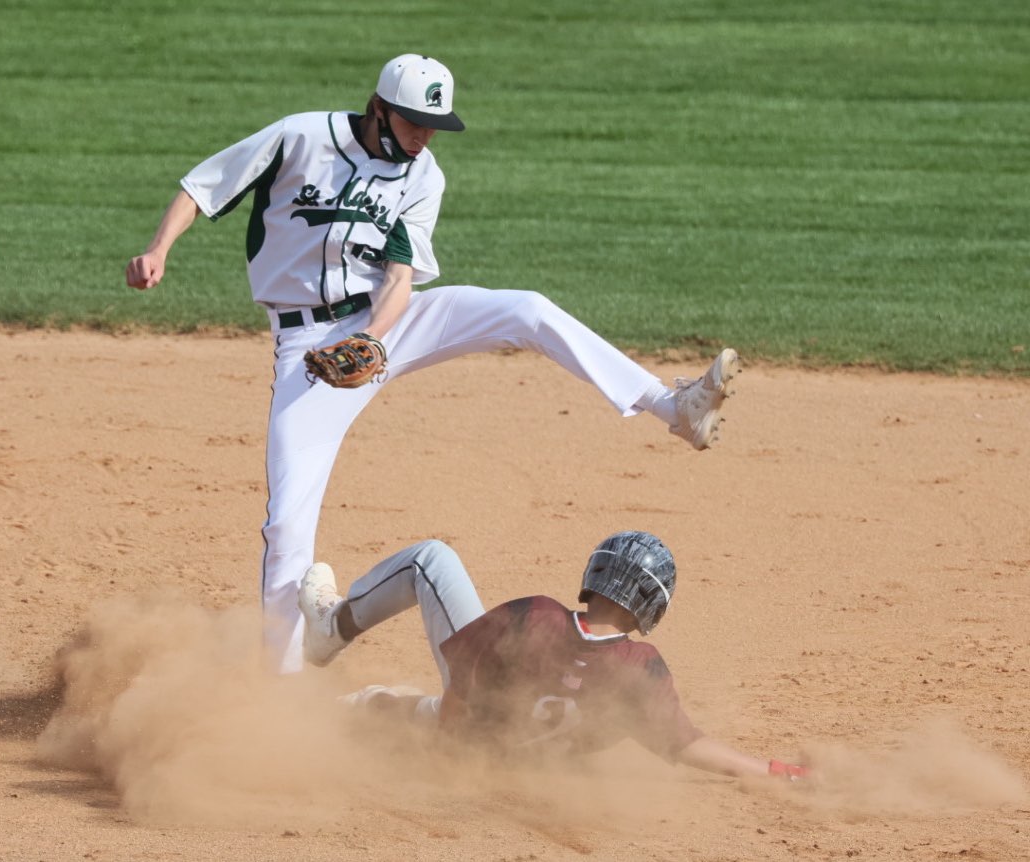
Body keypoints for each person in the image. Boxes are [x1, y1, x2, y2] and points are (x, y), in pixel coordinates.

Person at [125, 53, 741, 674]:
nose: (424, 136)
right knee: (288, 524)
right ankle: (284, 687)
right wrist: (158, 250)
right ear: (379, 108)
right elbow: (201, 187)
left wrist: (369, 341)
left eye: (435, 124)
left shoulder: (423, 176)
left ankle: (673, 406)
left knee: (525, 309)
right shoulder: (300, 137)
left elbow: (399, 277)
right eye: (415, 121)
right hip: (307, 351)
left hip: (384, 324)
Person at [297, 532, 809, 781]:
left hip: (465, 739)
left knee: (432, 559)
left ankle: (331, 629)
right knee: (418, 713)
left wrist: (449, 748)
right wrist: (771, 772)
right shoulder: (641, 670)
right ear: (652, 607)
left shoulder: (536, 616)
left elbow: (461, 681)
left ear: (597, 575)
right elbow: (687, 745)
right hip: (512, 763)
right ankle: (353, 715)